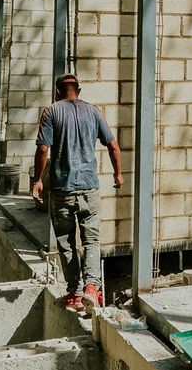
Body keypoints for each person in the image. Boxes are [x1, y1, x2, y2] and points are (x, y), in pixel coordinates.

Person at [31, 74, 123, 312]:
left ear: (57, 92)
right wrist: (117, 174)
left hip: (62, 189)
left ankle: (75, 292)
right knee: (91, 239)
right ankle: (92, 287)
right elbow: (112, 145)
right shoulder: (93, 112)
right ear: (78, 91)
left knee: (66, 242)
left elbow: (43, 149)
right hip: (89, 188)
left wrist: (37, 180)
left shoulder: (51, 112)